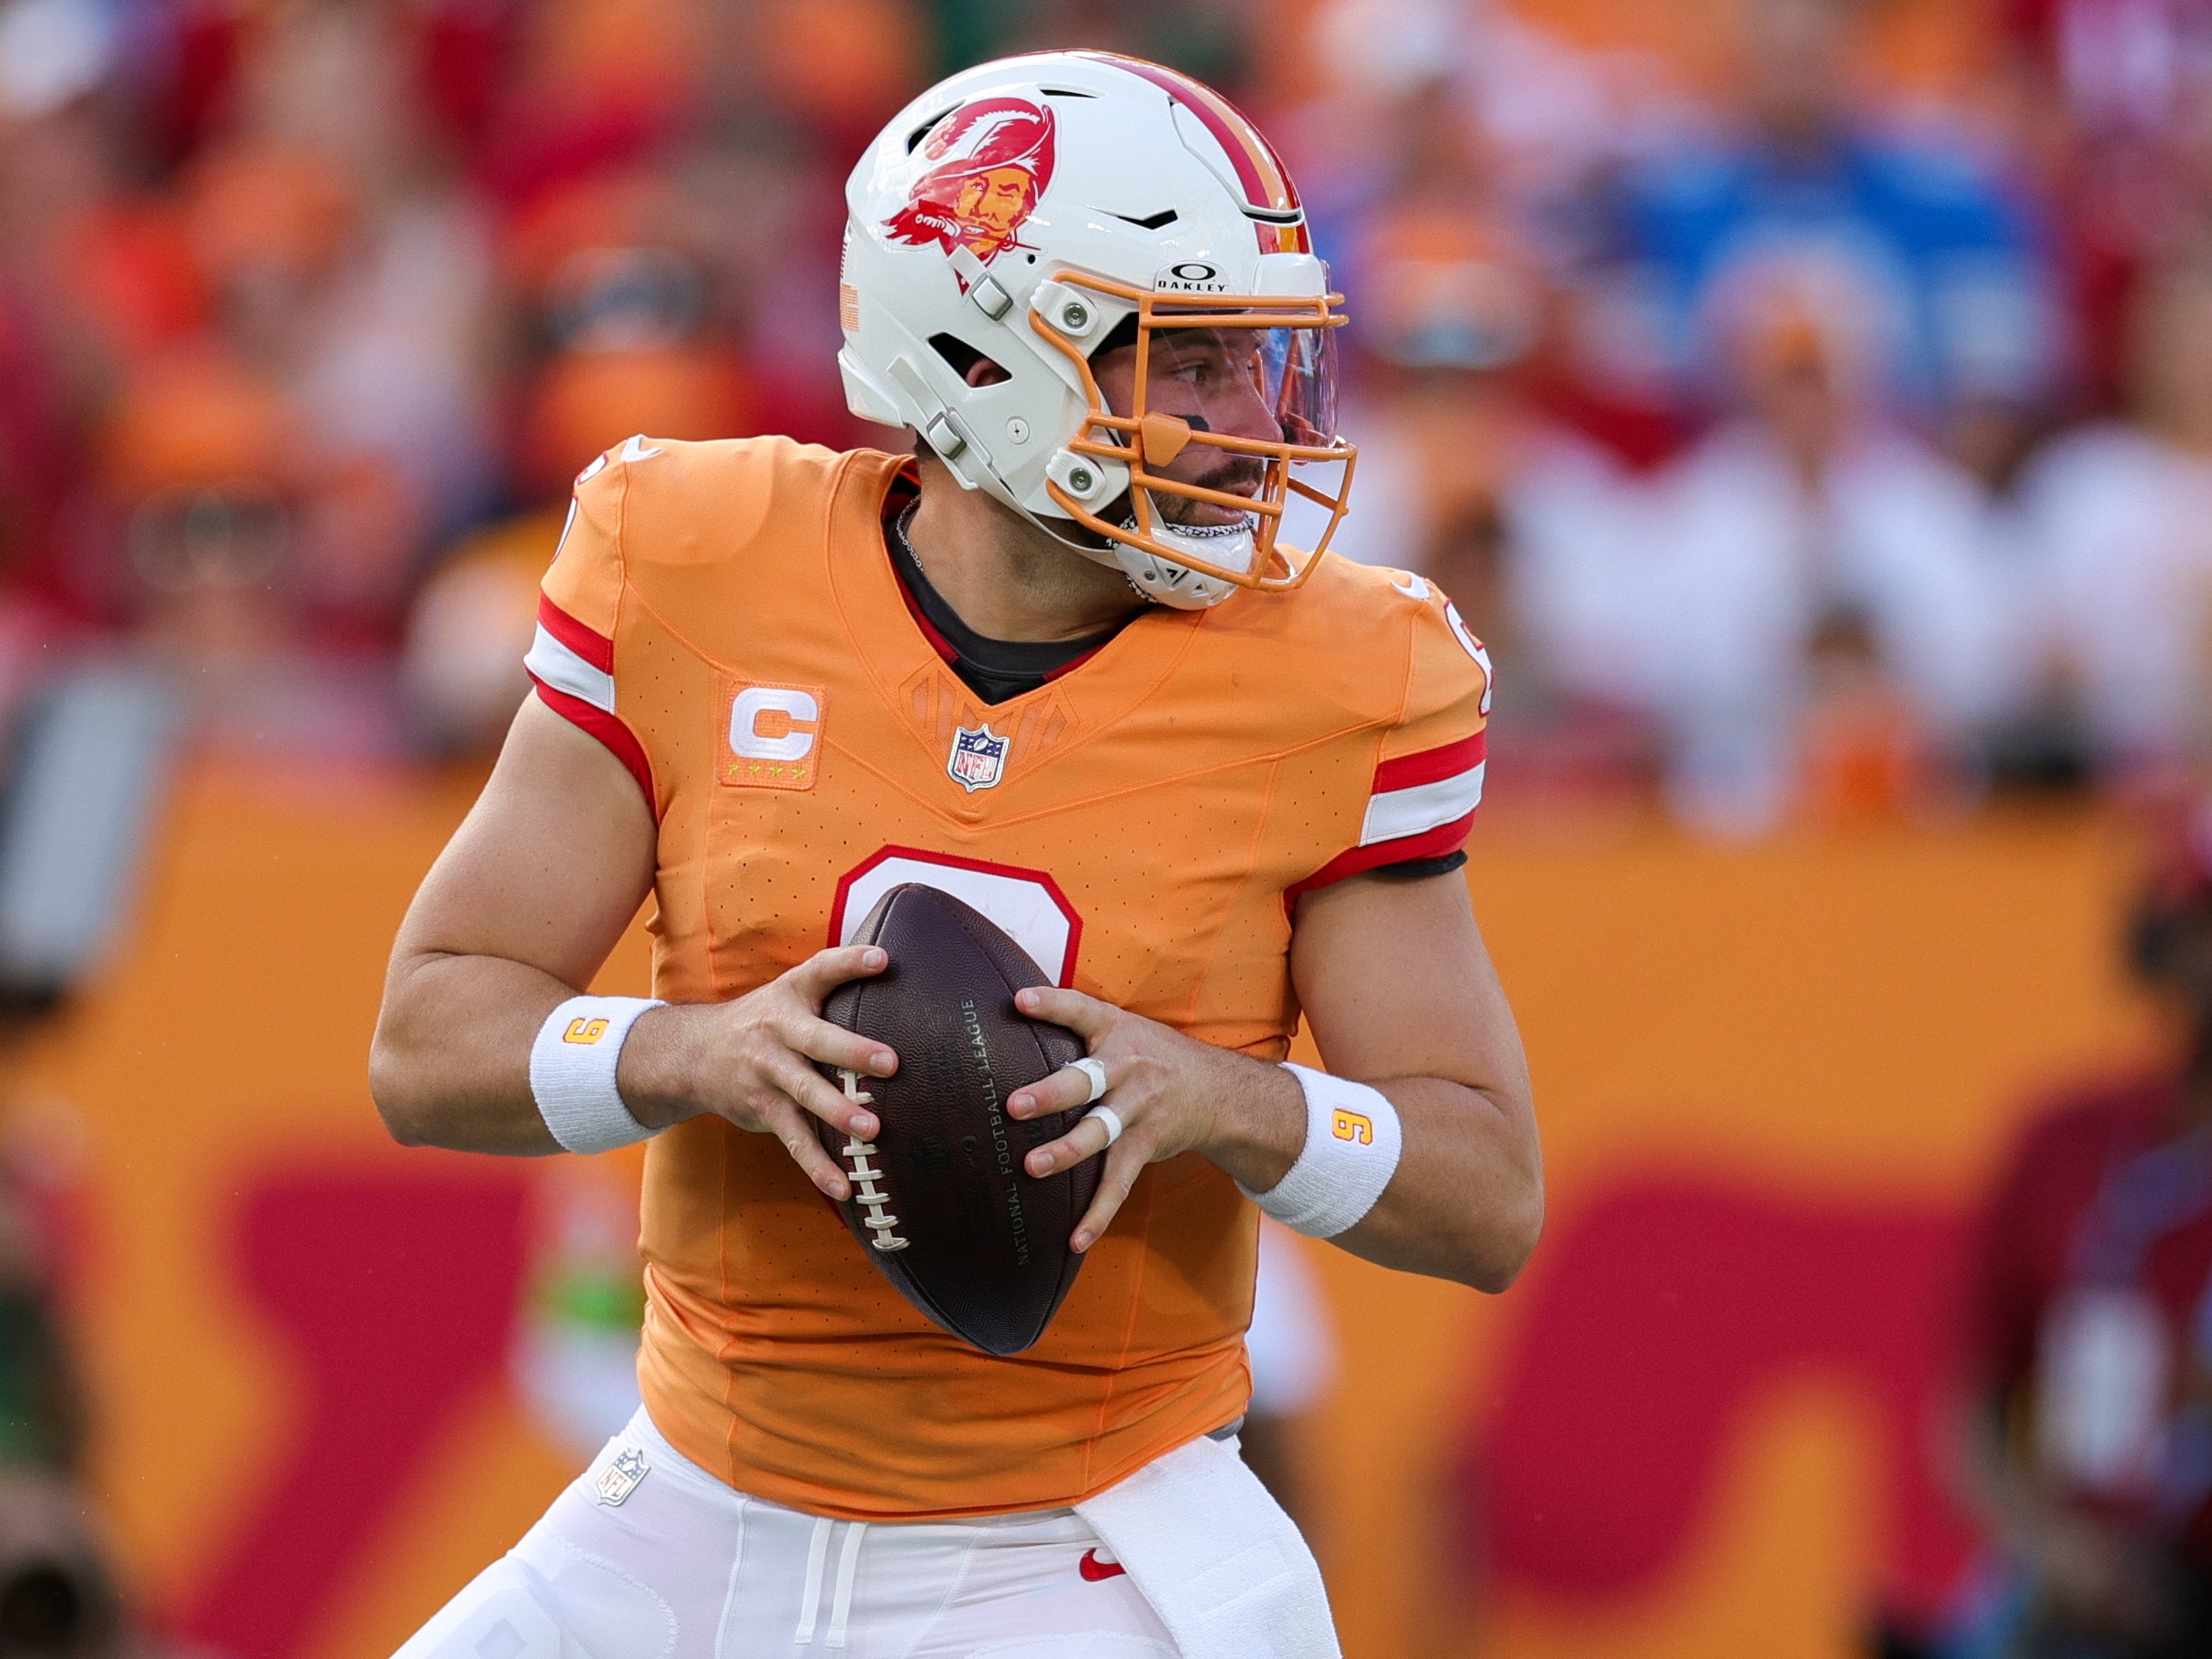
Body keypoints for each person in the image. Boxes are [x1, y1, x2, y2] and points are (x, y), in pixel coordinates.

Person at [369, 50, 1541, 1659]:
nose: (1254, 420)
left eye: (1265, 360)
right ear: (987, 354)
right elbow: (426, 1034)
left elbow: (1484, 1189)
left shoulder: (1341, 670)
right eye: (1193, 364)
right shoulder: (694, 561)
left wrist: (1229, 1097)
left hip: (1085, 1537)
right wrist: (690, 1050)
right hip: (696, 1497)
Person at [1950, 794, 2212, 1657]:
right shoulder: (2069, 1145)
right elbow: (1969, 1411)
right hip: (2093, 1600)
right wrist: (2058, 1551)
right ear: (2157, 939)